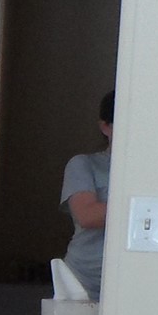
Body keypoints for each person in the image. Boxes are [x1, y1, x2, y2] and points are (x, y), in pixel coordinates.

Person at [60, 91, 114, 299]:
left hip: (134, 278)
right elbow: (87, 215)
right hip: (83, 280)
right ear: (105, 127)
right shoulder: (83, 164)